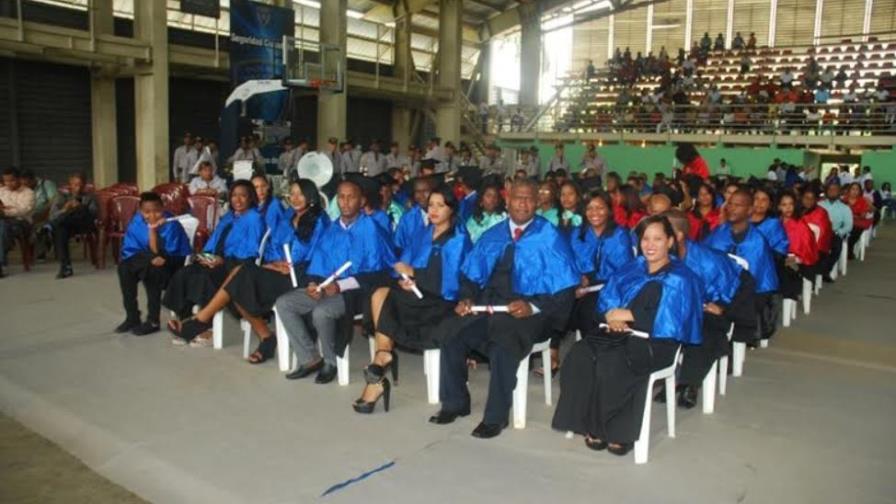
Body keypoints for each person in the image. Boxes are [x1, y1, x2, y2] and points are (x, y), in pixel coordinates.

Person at [429, 178, 579, 439]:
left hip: (531, 313)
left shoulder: (549, 237)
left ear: (538, 203)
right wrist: (466, 299)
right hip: (490, 305)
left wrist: (532, 307)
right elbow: (470, 276)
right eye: (517, 198)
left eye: (529, 198)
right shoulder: (493, 235)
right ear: (507, 200)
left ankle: (496, 417)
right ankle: (455, 403)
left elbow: (565, 287)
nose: (522, 203)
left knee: (503, 344)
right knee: (451, 333)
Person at [552, 215, 703, 455]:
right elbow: (605, 303)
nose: (650, 245)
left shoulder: (681, 277)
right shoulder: (632, 269)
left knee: (616, 361)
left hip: (658, 343)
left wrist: (628, 315)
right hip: (617, 335)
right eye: (645, 239)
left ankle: (619, 432)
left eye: (658, 239)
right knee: (580, 354)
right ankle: (591, 423)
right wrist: (611, 317)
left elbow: (673, 319)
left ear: (670, 241)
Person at [172, 179, 329, 360]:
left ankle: (203, 321)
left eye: (300, 194)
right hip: (279, 272)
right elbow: (271, 248)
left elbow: (321, 256)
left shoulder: (321, 221)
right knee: (241, 279)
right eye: (292, 193)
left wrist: (292, 266)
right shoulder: (287, 218)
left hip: (303, 276)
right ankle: (264, 338)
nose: (295, 198)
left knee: (241, 277)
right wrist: (273, 263)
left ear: (311, 196)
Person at [354, 185, 472, 413]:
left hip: (442, 302)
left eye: (440, 205)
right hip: (417, 295)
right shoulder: (423, 233)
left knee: (386, 300)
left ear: (452, 210)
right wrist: (404, 279)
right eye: (431, 205)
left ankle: (378, 370)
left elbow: (451, 283)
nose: (434, 210)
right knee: (379, 293)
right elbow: (406, 265)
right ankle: (383, 356)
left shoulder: (459, 239)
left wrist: (415, 274)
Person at [275, 178, 396, 384]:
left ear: (361, 201)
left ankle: (331, 362)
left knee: (322, 312)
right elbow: (318, 261)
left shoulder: (371, 229)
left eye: (351, 197)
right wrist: (314, 283)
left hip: (357, 292)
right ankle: (310, 358)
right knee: (284, 303)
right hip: (327, 287)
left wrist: (341, 285)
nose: (345, 202)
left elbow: (379, 272)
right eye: (341, 197)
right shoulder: (331, 229)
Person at [163, 180, 265, 343]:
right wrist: (205, 256)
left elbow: (250, 251)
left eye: (243, 196)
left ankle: (205, 325)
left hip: (235, 265)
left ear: (250, 197)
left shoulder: (254, 218)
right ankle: (186, 320)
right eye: (234, 195)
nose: (237, 200)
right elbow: (214, 240)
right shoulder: (229, 217)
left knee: (204, 278)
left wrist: (221, 260)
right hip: (216, 260)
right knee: (185, 273)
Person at [546, 190, 634, 375]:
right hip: (579, 285)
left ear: (609, 210)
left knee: (588, 308)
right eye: (590, 208)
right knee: (556, 299)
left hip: (608, 287)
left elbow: (624, 272)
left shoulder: (619, 235)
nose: (594, 212)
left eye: (600, 208)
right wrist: (579, 279)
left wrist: (591, 282)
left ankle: (592, 358)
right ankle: (553, 353)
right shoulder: (578, 233)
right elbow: (568, 262)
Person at [704, 190, 779, 345]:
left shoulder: (757, 241)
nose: (732, 208)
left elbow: (760, 281)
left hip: (746, 297)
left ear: (749, 210)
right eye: (730, 203)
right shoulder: (717, 234)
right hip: (717, 292)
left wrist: (729, 303)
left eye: (738, 205)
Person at [116, 192, 191, 336]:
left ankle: (153, 320)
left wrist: (152, 230)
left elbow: (169, 256)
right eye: (147, 212)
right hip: (146, 260)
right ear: (140, 211)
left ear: (163, 208)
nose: (152, 215)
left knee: (152, 270)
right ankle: (132, 317)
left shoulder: (171, 224)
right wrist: (150, 257)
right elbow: (130, 249)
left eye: (157, 211)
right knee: (124, 268)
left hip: (171, 265)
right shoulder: (136, 221)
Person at [47, 172, 98, 279]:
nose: (77, 188)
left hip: (84, 224)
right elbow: (52, 215)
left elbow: (94, 214)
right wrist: (66, 208)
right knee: (61, 230)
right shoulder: (62, 197)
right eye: (75, 185)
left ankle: (47, 228)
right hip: (67, 226)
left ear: (84, 185)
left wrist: (80, 206)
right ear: (70, 185)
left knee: (80, 210)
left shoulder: (90, 197)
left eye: (80, 185)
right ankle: (65, 267)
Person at [777, 191, 819, 302]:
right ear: (778, 206)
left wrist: (795, 257)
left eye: (791, 204)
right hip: (778, 258)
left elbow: (807, 248)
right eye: (784, 205)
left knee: (788, 267)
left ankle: (789, 293)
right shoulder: (775, 222)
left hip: (798, 262)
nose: (788, 208)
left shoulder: (800, 224)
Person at [0, 167, 36, 277]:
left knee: (3, 227)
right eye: (6, 181)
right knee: (2, 226)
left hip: (22, 223)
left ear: (19, 179)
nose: (9, 183)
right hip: (3, 220)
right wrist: (8, 209)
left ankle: (1, 262)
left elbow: (23, 210)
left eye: (12, 180)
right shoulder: (2, 191)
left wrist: (5, 211)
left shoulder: (28, 193)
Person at [818, 182, 852, 277]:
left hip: (834, 233)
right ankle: (817, 271)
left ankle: (825, 271)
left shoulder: (844, 208)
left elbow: (848, 225)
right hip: (819, 233)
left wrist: (839, 232)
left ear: (839, 192)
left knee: (836, 248)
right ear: (826, 192)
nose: (832, 192)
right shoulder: (819, 205)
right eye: (830, 190)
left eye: (835, 190)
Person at [394, 176, 435, 252]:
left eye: (425, 191)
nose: (421, 195)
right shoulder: (407, 219)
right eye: (417, 191)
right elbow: (399, 246)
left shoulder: (445, 216)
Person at [800, 188, 834, 281]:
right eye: (806, 198)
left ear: (815, 200)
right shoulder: (796, 211)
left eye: (812, 198)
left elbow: (823, 233)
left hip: (817, 247)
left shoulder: (821, 213)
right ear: (801, 198)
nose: (809, 201)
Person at [843, 182, 872, 260]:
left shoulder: (862, 200)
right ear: (849, 190)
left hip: (858, 222)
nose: (855, 191)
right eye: (853, 189)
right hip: (845, 221)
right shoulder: (844, 199)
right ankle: (846, 249)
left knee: (856, 229)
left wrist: (851, 215)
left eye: (857, 189)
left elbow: (862, 215)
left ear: (860, 191)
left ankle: (849, 247)